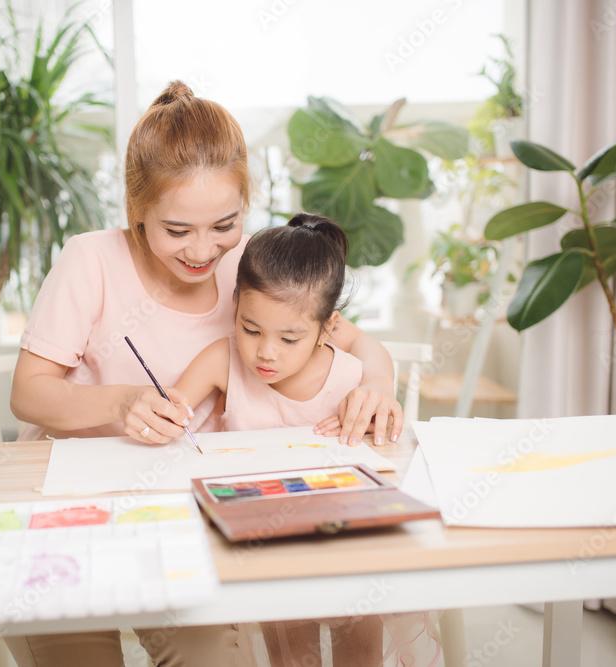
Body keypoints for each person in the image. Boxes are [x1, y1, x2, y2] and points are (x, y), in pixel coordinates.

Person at [8, 81, 403, 666]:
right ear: (137, 208)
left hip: (185, 522)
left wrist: (376, 384)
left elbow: (351, 339)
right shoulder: (89, 260)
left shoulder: (251, 267)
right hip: (77, 518)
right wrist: (120, 404)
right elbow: (28, 393)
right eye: (176, 230)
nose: (202, 251)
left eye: (225, 224)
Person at [168, 214, 441, 667]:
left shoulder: (353, 379)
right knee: (291, 651)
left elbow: (389, 458)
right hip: (270, 547)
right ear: (235, 305)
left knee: (360, 647)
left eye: (289, 337)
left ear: (328, 327)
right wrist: (161, 416)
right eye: (250, 328)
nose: (265, 352)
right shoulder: (222, 359)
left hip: (352, 548)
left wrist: (379, 400)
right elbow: (172, 411)